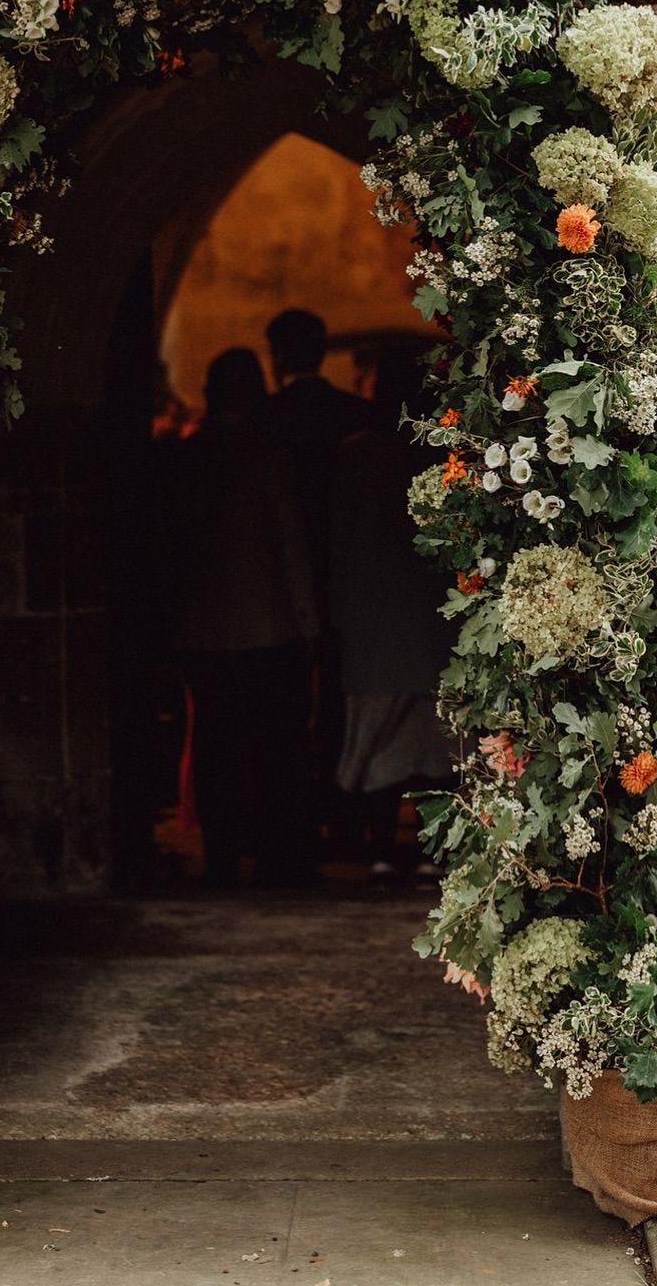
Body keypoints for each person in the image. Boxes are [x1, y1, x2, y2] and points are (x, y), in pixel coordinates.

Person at [159, 348, 319, 887]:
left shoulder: (185, 457)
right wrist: (309, 624)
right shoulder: (269, 457)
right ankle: (275, 857)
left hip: (203, 631)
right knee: (275, 747)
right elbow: (291, 548)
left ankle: (221, 854)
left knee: (215, 746)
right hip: (267, 629)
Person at [330, 346, 456, 879]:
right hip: (431, 615)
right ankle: (432, 851)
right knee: (434, 740)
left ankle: (380, 848)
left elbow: (336, 543)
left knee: (376, 737)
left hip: (370, 618)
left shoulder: (353, 458)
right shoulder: (443, 458)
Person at [258, 309, 370, 850]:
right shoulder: (355, 414)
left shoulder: (264, 419)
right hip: (350, 566)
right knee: (345, 698)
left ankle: (293, 822)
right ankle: (345, 814)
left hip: (276, 579)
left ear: (277, 356)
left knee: (283, 707)